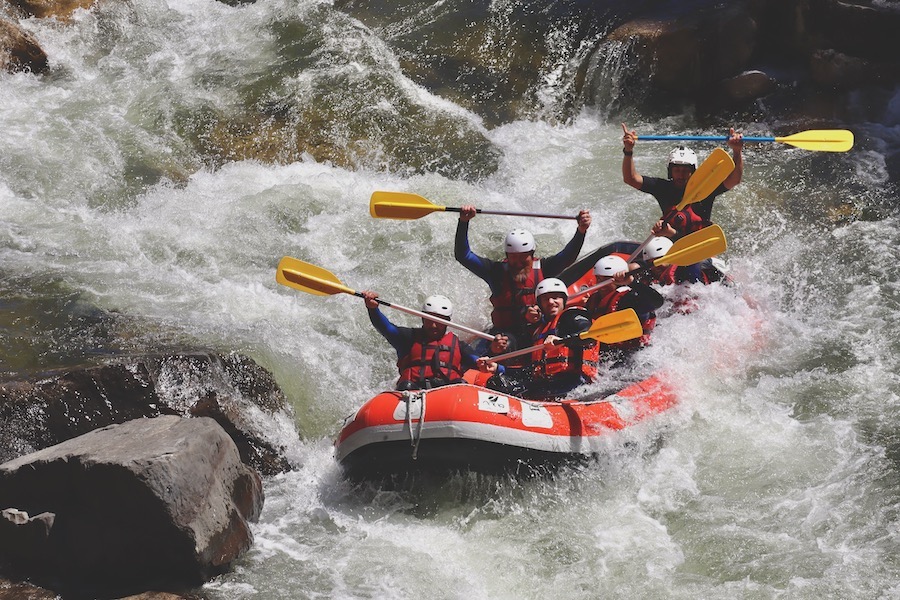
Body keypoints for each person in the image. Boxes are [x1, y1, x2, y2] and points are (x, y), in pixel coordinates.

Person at [455, 204, 592, 348]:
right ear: (507, 256)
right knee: (505, 344)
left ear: (532, 255)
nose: (518, 263)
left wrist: (581, 231)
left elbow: (567, 256)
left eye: (523, 258)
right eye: (514, 258)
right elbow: (463, 255)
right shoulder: (495, 271)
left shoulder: (544, 267)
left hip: (540, 331)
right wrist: (464, 222)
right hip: (507, 335)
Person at [478, 278, 600, 401]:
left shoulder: (571, 317)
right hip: (548, 385)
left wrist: (562, 341)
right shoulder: (538, 331)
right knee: (499, 383)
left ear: (564, 300)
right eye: (546, 299)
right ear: (540, 304)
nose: (551, 302)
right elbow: (530, 371)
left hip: (575, 383)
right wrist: (497, 368)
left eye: (555, 297)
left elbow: (589, 335)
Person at [621, 124, 743, 240]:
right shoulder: (662, 187)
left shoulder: (705, 187)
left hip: (699, 243)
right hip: (671, 241)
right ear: (670, 171)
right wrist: (628, 150)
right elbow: (630, 179)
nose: (681, 175)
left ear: (693, 172)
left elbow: (734, 180)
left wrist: (737, 151)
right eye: (677, 170)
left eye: (686, 170)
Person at [362, 291, 480, 391]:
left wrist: (494, 353)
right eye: (429, 320)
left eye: (439, 321)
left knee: (460, 385)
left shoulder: (459, 346)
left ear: (448, 321)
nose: (433, 325)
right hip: (413, 394)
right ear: (422, 318)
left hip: (448, 396)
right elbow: (386, 328)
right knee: (406, 386)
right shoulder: (408, 338)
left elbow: (482, 363)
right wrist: (373, 309)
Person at [584, 255, 664, 362]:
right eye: (599, 278)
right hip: (605, 351)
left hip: (630, 355)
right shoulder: (594, 299)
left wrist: (632, 283)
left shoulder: (629, 299)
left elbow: (658, 302)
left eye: (607, 279)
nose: (601, 283)